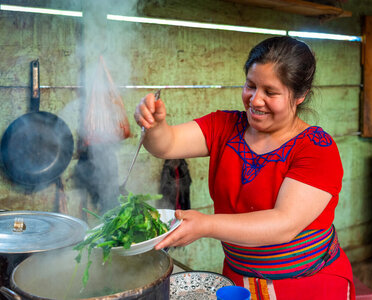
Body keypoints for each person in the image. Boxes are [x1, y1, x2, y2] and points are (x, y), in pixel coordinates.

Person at [134, 36, 355, 300]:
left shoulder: (317, 149)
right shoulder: (225, 126)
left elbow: (283, 223)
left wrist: (205, 225)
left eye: (270, 92)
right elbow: (166, 146)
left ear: (300, 96)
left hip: (306, 284)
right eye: (250, 86)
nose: (255, 100)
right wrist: (155, 125)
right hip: (240, 279)